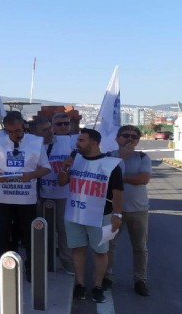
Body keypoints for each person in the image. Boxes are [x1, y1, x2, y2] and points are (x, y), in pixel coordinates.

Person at [57, 128, 123, 303]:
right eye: (77, 140)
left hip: (100, 215)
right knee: (78, 249)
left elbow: (118, 192)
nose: (77, 143)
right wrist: (65, 167)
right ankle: (80, 284)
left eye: (81, 140)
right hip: (75, 214)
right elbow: (61, 182)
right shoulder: (75, 161)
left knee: (100, 252)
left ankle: (98, 286)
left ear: (94, 142)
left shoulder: (110, 164)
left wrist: (117, 215)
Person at [0, 112, 51, 281]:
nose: (14, 135)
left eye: (17, 131)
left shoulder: (36, 143)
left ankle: (31, 269)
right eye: (9, 132)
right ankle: (4, 267)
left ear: (23, 125)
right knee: (4, 233)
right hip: (4, 197)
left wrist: (32, 175)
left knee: (28, 234)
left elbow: (46, 168)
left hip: (26, 198)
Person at [104, 125, 151, 296]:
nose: (130, 139)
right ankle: (106, 277)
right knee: (109, 245)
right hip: (114, 209)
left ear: (138, 141)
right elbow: (105, 178)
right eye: (125, 135)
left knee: (140, 247)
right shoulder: (109, 157)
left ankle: (140, 280)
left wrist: (119, 178)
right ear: (117, 138)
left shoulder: (143, 157)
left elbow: (143, 179)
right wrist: (122, 160)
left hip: (138, 209)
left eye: (134, 136)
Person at [33, 114, 75, 275]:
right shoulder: (34, 145)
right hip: (41, 194)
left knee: (63, 229)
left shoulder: (68, 142)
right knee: (42, 229)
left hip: (63, 194)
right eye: (45, 130)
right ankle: (44, 259)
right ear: (37, 132)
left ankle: (66, 260)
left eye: (50, 128)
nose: (51, 131)